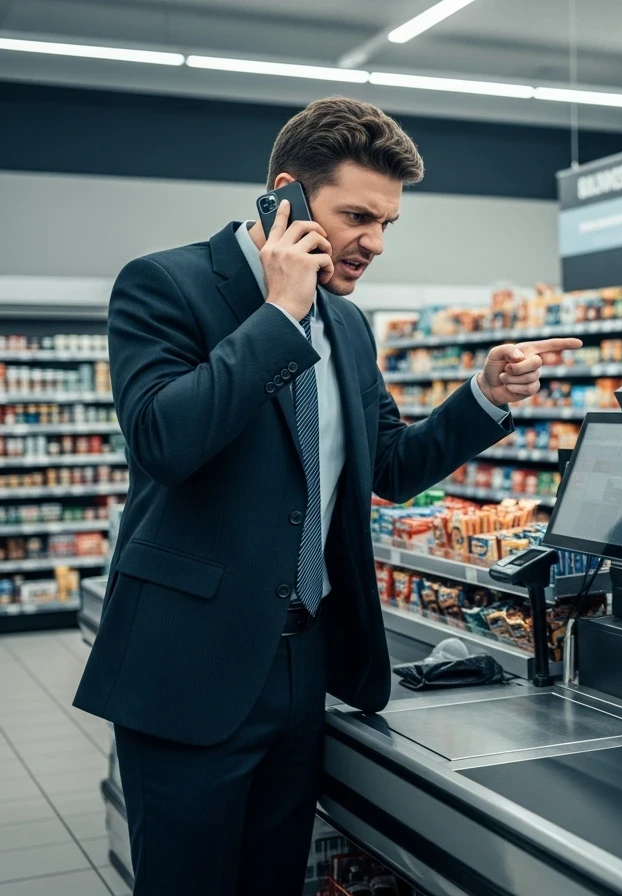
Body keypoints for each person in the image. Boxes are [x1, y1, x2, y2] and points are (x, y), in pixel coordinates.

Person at [73, 96, 581, 896]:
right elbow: (164, 443)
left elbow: (391, 467)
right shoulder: (165, 285)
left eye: (387, 224)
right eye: (356, 216)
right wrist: (280, 311)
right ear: (286, 197)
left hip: (305, 661)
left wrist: (483, 394)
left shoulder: (349, 327)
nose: (374, 243)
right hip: (190, 667)